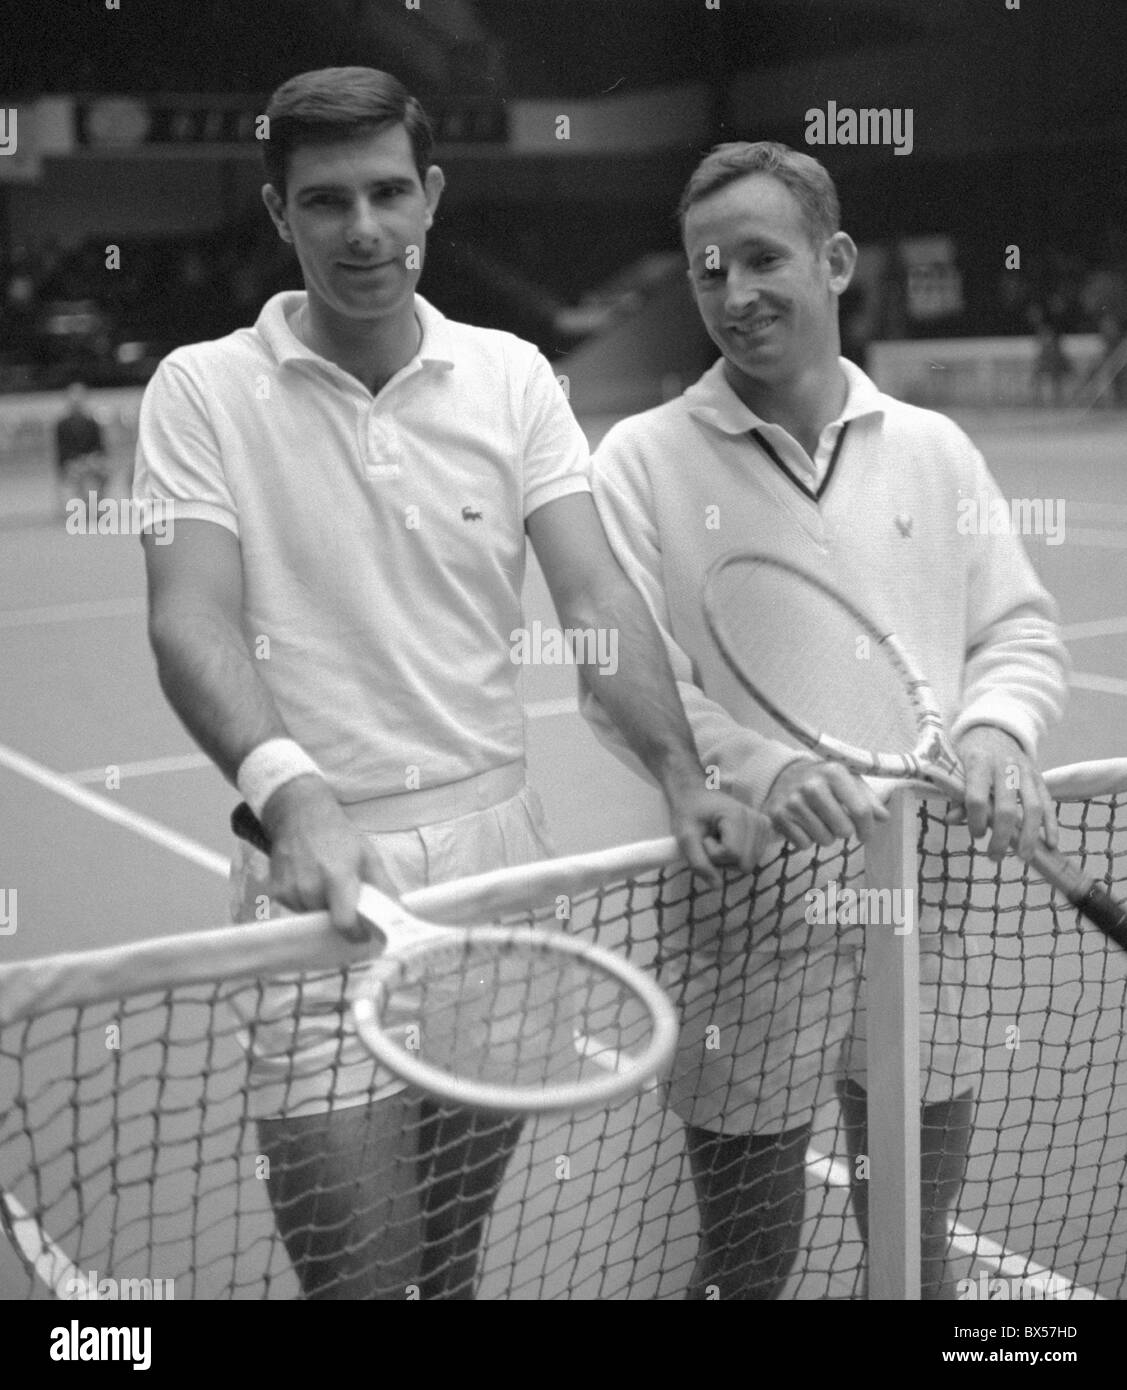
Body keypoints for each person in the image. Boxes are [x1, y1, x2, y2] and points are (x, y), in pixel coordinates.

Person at [132, 69, 766, 1301]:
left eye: (384, 193)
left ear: (429, 196)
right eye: (325, 201)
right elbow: (189, 617)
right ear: (279, 214)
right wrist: (291, 794)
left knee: (450, 1271)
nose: (361, 230)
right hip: (313, 876)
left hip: (495, 866)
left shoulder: (513, 376)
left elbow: (591, 598)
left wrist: (681, 773)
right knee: (365, 1286)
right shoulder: (200, 390)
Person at [583, 141, 1069, 1300]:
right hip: (746, 913)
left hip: (925, 901)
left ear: (835, 259)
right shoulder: (640, 460)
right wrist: (752, 767)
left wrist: (998, 729)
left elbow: (1015, 631)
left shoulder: (932, 449)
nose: (733, 292)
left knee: (913, 1251)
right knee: (744, 1263)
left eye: (761, 258)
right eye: (708, 269)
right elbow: (616, 675)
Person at [55, 380, 110, 517]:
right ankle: (85, 504)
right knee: (78, 474)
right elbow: (62, 450)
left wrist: (93, 458)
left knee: (104, 472)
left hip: (91, 461)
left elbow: (100, 446)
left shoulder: (92, 423)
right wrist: (78, 460)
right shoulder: (62, 425)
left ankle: (96, 503)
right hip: (73, 463)